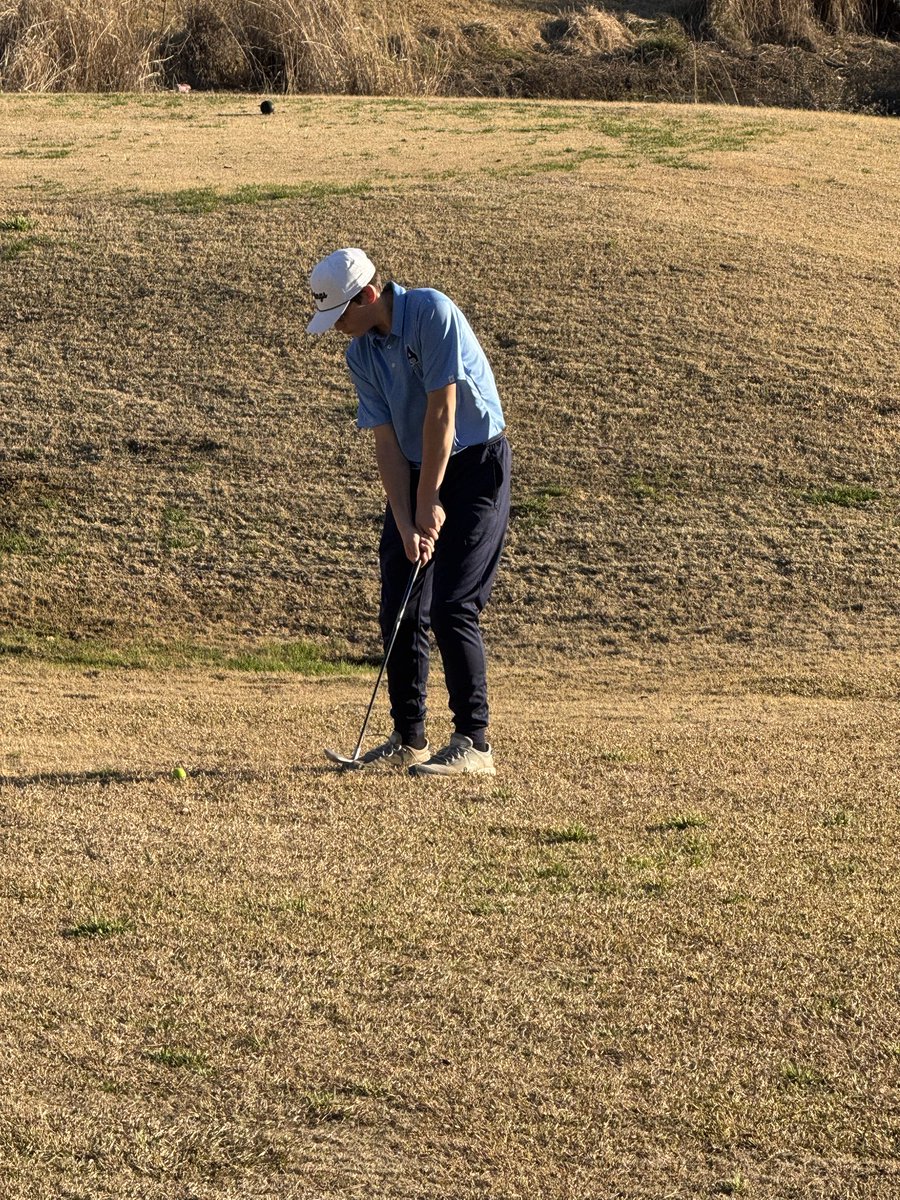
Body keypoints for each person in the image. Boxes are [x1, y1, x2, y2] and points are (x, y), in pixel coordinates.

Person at [307, 247, 511, 776]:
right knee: (399, 600)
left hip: (474, 464)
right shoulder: (361, 355)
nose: (336, 328)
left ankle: (475, 744)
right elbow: (387, 442)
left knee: (451, 604)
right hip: (419, 468)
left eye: (340, 316)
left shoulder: (432, 312)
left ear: (369, 296)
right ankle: (410, 738)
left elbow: (443, 412)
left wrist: (429, 504)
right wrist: (405, 519)